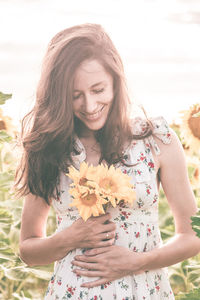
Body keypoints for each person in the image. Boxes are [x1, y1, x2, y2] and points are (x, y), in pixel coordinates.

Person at [16, 23, 200, 300]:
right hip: (72, 293)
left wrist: (139, 261)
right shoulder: (49, 147)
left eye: (98, 89)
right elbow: (28, 249)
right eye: (75, 95)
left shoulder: (156, 139)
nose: (89, 106)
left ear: (116, 79)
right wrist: (68, 238)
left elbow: (192, 235)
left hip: (145, 291)